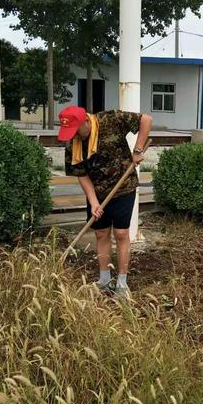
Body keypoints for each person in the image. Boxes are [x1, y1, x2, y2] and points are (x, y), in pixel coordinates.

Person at [59, 105, 153, 297]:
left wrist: (138, 149)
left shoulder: (111, 119)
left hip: (122, 187)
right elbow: (81, 174)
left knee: (121, 233)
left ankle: (121, 283)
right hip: (97, 192)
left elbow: (146, 120)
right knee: (101, 233)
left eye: (76, 130)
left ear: (86, 121)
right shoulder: (72, 143)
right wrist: (93, 202)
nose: (74, 136)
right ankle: (104, 280)